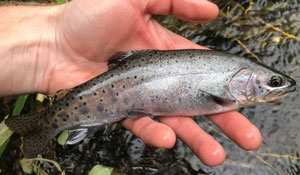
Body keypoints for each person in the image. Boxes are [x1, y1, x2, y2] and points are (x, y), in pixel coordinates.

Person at [0, 0, 261, 166]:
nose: (272, 88)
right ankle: (45, 125)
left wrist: (52, 37)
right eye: (272, 82)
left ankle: (44, 125)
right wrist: (56, 36)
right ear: (243, 78)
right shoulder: (226, 97)